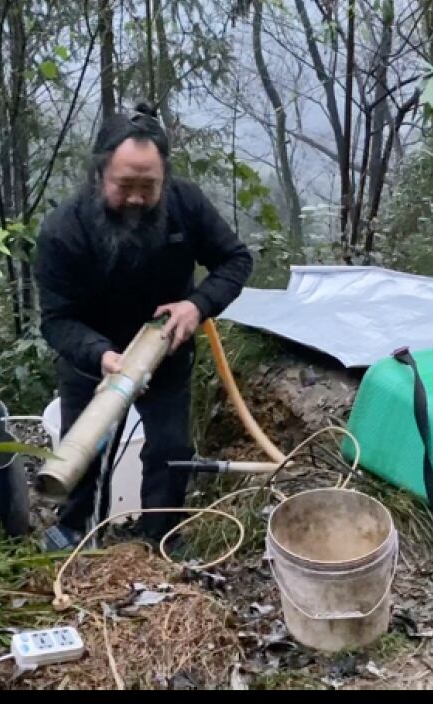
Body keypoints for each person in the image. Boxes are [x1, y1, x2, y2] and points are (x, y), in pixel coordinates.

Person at [34, 102, 254, 552]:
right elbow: (57, 321)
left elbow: (236, 260)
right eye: (125, 186)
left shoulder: (186, 205)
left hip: (166, 352)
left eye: (148, 186)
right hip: (93, 361)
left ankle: (162, 535)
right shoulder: (63, 231)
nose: (136, 197)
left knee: (170, 451)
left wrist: (197, 306)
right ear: (99, 176)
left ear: (164, 179)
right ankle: (75, 529)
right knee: (83, 447)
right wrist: (100, 355)